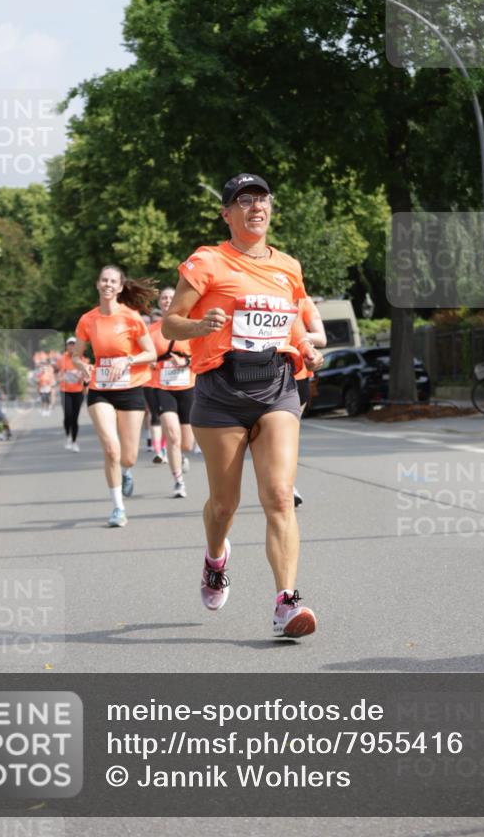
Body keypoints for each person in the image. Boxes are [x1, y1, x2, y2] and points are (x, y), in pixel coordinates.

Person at [163, 173, 324, 638]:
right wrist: (199, 327)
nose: (256, 207)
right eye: (245, 200)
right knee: (224, 505)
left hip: (277, 386)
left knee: (279, 496)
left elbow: (292, 321)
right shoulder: (207, 261)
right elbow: (171, 324)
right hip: (221, 392)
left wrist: (306, 348)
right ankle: (216, 558)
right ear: (226, 213)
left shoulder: (288, 266)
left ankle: (286, 603)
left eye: (263, 199)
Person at [71, 266, 157, 527]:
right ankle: (118, 508)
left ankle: (127, 471)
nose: (108, 284)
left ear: (120, 287)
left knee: (128, 456)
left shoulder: (131, 317)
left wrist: (128, 360)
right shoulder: (88, 319)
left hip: (130, 389)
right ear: (98, 284)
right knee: (111, 448)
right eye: (104, 280)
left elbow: (151, 353)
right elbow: (76, 355)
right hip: (100, 389)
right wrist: (82, 365)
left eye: (113, 281)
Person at [145, 286, 195, 498]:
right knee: (172, 435)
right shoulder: (151, 330)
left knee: (186, 443)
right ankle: (178, 481)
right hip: (162, 386)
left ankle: (181, 456)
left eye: (170, 297)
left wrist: (185, 361)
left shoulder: (190, 327)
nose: (167, 300)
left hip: (187, 386)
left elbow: (201, 354)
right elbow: (144, 353)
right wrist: (149, 362)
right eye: (164, 298)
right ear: (160, 303)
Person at [290, 297, 327, 506]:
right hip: (258, 377)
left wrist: (295, 335)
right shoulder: (257, 292)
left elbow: (321, 338)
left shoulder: (303, 301)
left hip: (296, 377)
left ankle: (288, 485)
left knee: (288, 435)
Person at [58, 336, 88, 452]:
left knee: (75, 418)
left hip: (78, 391)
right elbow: (57, 373)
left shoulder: (83, 359)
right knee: (67, 416)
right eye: (69, 344)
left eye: (74, 345)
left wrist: (82, 376)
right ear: (66, 346)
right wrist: (61, 376)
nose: (71, 347)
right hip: (65, 391)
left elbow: (87, 377)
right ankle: (68, 437)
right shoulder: (62, 359)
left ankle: (74, 442)